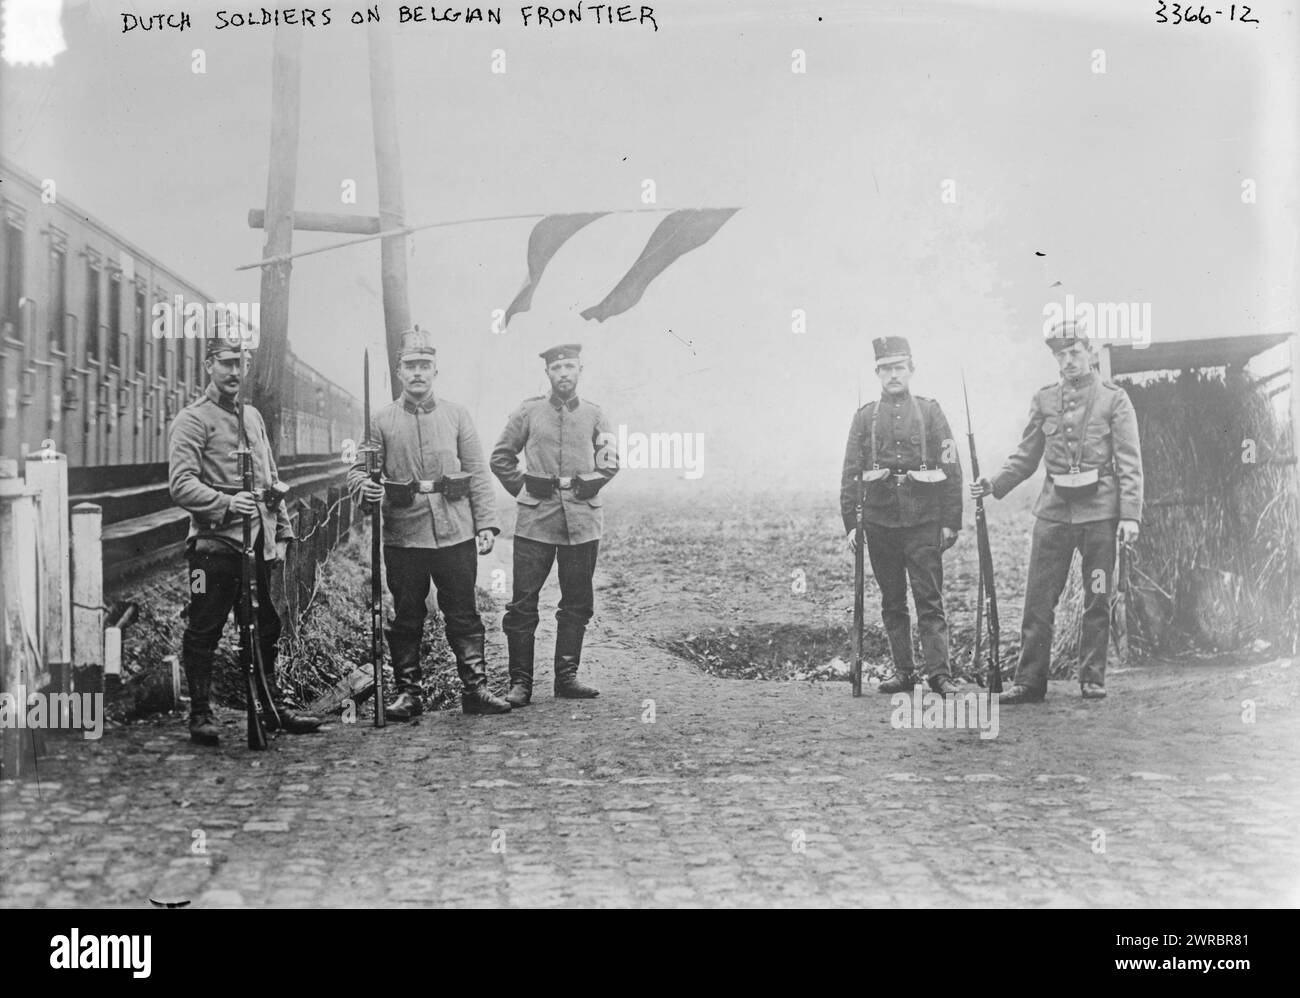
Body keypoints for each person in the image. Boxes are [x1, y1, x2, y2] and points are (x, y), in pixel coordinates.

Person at [969, 320, 1143, 703]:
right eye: (1061, 355)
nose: (1068, 361)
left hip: (1099, 514)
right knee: (1038, 599)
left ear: (1090, 352)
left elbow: (1130, 462)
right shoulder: (1045, 400)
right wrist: (994, 484)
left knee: (1097, 595)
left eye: (1075, 352)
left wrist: (1129, 515)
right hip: (1053, 513)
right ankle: (1030, 682)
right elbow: (1026, 455)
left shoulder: (1115, 400)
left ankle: (1092, 678)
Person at [349, 328, 511, 719]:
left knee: (464, 612)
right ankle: (409, 694)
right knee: (407, 615)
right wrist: (364, 489)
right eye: (410, 366)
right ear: (400, 372)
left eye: (425, 366)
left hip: (455, 531)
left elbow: (476, 472)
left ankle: (475, 690)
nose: (418, 373)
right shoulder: (381, 420)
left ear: (436, 371)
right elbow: (356, 471)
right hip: (404, 534)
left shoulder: (457, 415)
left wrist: (486, 523)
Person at [169, 337, 323, 746]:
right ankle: (200, 713)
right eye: (226, 363)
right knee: (204, 626)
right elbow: (181, 484)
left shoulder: (252, 417)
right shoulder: (192, 420)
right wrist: (224, 501)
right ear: (209, 365)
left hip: (256, 544)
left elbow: (272, 480)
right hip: (212, 549)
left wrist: (284, 531)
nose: (235, 372)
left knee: (265, 626)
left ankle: (270, 707)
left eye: (241, 363)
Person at [490, 343, 618, 705]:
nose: (564, 373)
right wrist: (526, 488)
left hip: (582, 520)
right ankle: (521, 684)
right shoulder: (528, 412)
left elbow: (610, 461)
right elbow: (500, 457)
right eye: (557, 367)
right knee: (523, 603)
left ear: (581, 370)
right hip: (536, 519)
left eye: (570, 367)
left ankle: (566, 678)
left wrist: (591, 481)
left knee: (577, 600)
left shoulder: (596, 415)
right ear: (547, 373)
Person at [840, 336, 964, 696]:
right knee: (892, 600)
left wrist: (950, 520)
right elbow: (850, 471)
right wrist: (851, 523)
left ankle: (939, 674)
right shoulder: (864, 418)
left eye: (899, 368)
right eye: (886, 369)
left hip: (924, 519)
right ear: (877, 372)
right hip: (879, 521)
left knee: (929, 599)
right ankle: (904, 671)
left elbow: (951, 465)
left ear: (911, 369)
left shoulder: (931, 412)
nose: (893, 375)